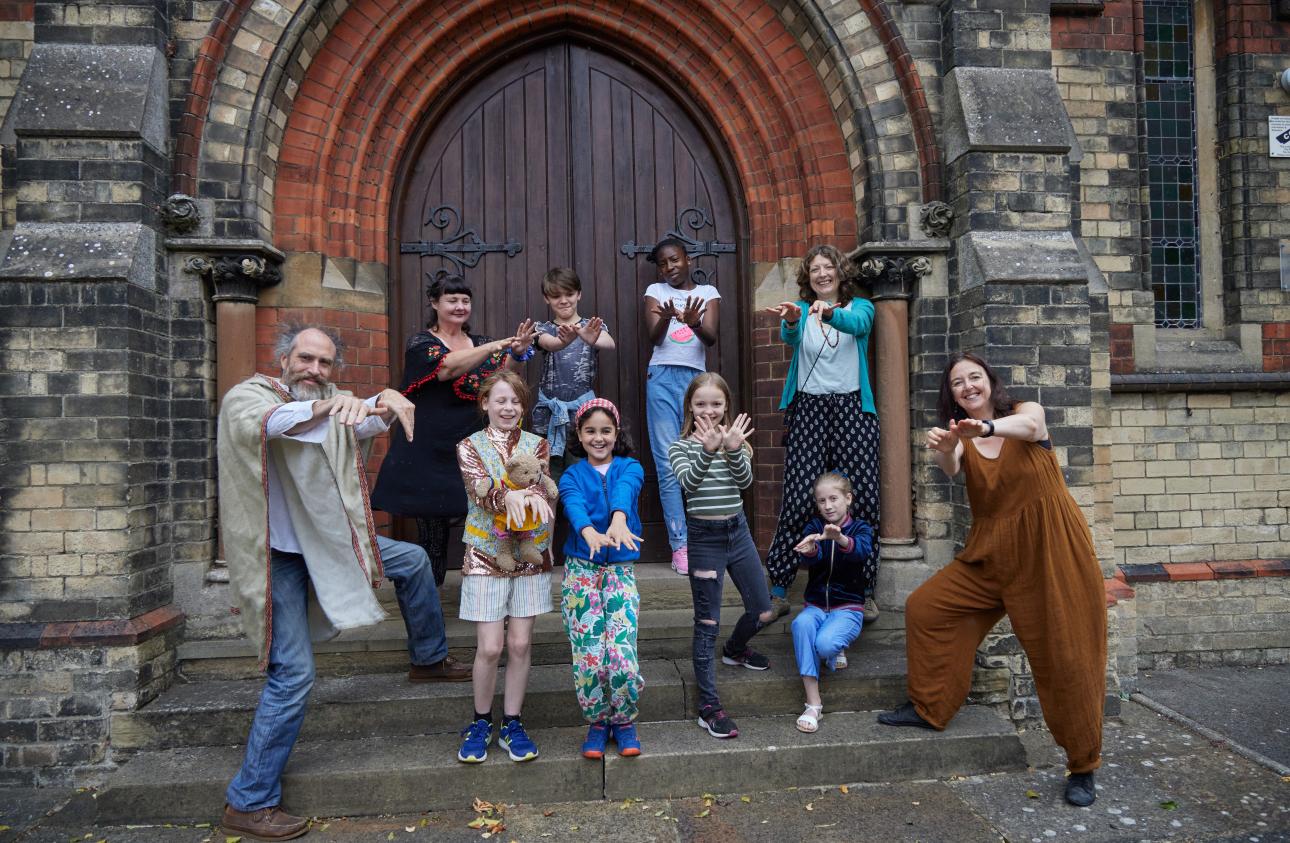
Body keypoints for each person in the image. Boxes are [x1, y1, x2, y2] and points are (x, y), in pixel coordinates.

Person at [216, 324, 468, 842]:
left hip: (332, 544)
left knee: (414, 560)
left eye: (325, 363)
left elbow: (359, 422)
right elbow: (270, 425)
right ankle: (249, 800)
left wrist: (387, 400)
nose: (315, 370)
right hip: (279, 558)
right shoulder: (251, 396)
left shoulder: (334, 402)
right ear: (284, 358)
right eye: (306, 359)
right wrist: (339, 406)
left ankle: (429, 659)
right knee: (293, 675)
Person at [877, 352, 1107, 808]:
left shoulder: (1024, 413)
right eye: (958, 382)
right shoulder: (962, 437)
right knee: (928, 608)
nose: (967, 386)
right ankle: (931, 707)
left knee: (1067, 654)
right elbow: (952, 465)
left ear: (989, 382)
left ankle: (1083, 766)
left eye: (974, 377)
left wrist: (985, 428)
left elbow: (1031, 429)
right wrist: (946, 450)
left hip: (1048, 549)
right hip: (990, 554)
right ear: (953, 395)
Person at [371, 273, 537, 586]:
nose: (460, 306)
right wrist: (495, 347)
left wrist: (515, 353)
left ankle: (485, 590)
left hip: (472, 446)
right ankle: (431, 602)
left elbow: (499, 378)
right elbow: (446, 367)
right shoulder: (421, 343)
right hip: (429, 448)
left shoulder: (481, 344)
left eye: (465, 300)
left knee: (486, 517)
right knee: (432, 531)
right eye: (452, 300)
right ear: (435, 303)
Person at [762, 244, 880, 632]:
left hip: (851, 408)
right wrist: (795, 321)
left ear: (840, 272)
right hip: (809, 408)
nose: (822, 274)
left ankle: (863, 591)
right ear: (807, 277)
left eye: (828, 267)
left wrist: (828, 312)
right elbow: (790, 338)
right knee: (799, 495)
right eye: (815, 269)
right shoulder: (800, 308)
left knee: (859, 495)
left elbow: (859, 326)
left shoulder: (859, 307)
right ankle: (779, 589)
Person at [455, 370, 557, 764]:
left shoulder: (538, 443)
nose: (509, 407)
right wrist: (505, 499)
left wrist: (528, 496)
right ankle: (480, 721)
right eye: (500, 400)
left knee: (519, 643)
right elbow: (477, 487)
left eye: (515, 401)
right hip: (485, 551)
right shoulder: (469, 446)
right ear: (485, 404)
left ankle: (512, 722)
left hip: (530, 553)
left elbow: (540, 483)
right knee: (491, 646)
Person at [668, 372, 775, 739]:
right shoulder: (680, 446)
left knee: (763, 609)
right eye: (701, 404)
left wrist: (731, 449)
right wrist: (708, 450)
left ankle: (736, 648)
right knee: (707, 623)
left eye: (716, 404)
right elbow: (689, 484)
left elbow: (744, 483)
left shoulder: (737, 441)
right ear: (690, 407)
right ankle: (709, 707)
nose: (709, 411)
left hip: (738, 532)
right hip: (704, 539)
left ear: (726, 405)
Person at [557, 398, 646, 759]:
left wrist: (619, 518)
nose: (598, 438)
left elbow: (626, 490)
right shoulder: (571, 474)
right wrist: (587, 531)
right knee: (590, 656)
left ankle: (623, 721)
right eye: (591, 431)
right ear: (579, 434)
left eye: (606, 431)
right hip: (581, 573)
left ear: (616, 433)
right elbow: (572, 502)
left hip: (620, 572)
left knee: (622, 655)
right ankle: (597, 722)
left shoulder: (631, 467)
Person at [643, 237, 721, 575]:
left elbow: (711, 338)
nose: (669, 267)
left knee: (701, 457)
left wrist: (692, 322)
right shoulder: (655, 291)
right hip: (661, 377)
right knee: (667, 463)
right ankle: (681, 546)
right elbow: (655, 338)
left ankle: (706, 541)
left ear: (687, 259)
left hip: (696, 383)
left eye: (674, 260)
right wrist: (667, 318)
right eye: (663, 263)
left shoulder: (709, 293)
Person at [790, 472, 875, 733]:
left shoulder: (861, 528)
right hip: (815, 606)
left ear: (848, 499)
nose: (827, 506)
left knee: (825, 645)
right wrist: (811, 549)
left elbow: (860, 552)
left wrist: (839, 538)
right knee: (801, 625)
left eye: (834, 499)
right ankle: (813, 704)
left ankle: (836, 649)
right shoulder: (813, 528)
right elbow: (813, 560)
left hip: (847, 608)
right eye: (821, 501)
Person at [533, 267, 615, 481]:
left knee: (582, 474)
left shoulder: (592, 328)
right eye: (556, 296)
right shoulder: (543, 328)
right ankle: (549, 515)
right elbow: (548, 344)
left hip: (582, 414)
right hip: (550, 414)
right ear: (546, 298)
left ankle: (579, 515)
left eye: (569, 294)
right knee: (548, 475)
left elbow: (610, 343)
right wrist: (564, 341)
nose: (564, 300)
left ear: (579, 294)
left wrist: (592, 339)